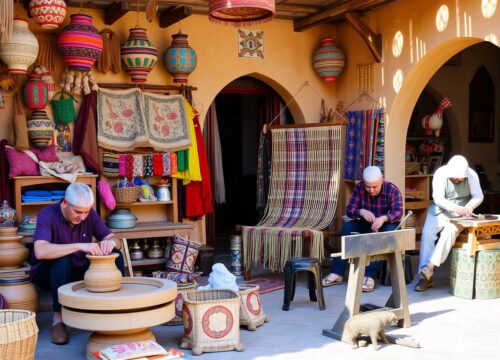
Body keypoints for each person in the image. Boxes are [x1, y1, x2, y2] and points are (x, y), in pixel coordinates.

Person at [30, 182, 125, 345]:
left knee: (116, 255)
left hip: (79, 271)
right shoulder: (48, 213)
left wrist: (111, 243)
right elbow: (41, 251)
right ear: (64, 203)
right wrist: (79, 246)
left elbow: (115, 239)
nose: (83, 217)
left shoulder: (89, 215)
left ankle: (110, 310)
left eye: (86, 212)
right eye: (78, 212)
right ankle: (58, 320)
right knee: (62, 260)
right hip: (49, 275)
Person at [322, 166, 403, 292]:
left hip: (385, 225)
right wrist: (361, 211)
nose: (371, 190)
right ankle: (337, 272)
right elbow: (350, 210)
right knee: (348, 227)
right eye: (368, 187)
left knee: (389, 231)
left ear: (382, 180)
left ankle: (369, 275)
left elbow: (398, 212)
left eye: (375, 187)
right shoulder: (359, 188)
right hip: (366, 223)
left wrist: (383, 219)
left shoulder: (392, 189)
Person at [415, 155, 483, 292]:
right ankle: (424, 277)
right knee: (427, 234)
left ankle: (429, 268)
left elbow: (478, 195)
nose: (458, 179)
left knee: (450, 231)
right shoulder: (440, 173)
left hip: (461, 212)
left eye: (460, 178)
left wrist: (469, 206)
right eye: (455, 177)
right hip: (440, 209)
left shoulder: (472, 175)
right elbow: (438, 197)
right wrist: (453, 207)